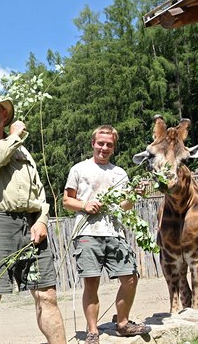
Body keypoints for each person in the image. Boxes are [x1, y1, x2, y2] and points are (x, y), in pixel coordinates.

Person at [0, 89, 66, 344]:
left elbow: (39, 193)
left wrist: (41, 220)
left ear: (5, 114)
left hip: (30, 225)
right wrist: (15, 135)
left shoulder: (23, 153)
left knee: (47, 294)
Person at [62, 125, 151, 344]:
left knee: (130, 278)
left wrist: (135, 195)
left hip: (115, 232)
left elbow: (125, 206)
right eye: (100, 143)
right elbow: (66, 201)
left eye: (109, 144)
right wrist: (85, 205)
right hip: (87, 232)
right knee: (91, 283)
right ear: (93, 143)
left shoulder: (119, 173)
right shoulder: (79, 169)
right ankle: (93, 331)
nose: (104, 147)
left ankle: (122, 323)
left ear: (113, 147)